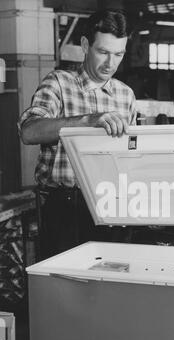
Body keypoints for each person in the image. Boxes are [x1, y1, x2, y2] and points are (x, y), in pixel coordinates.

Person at [18, 9, 137, 258]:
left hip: (112, 205)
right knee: (66, 289)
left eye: (118, 54)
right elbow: (29, 132)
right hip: (65, 208)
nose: (110, 63)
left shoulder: (125, 95)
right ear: (85, 45)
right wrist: (86, 121)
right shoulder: (59, 83)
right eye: (103, 52)